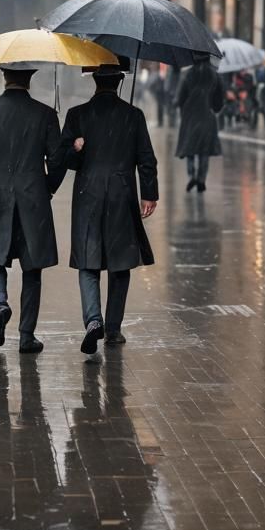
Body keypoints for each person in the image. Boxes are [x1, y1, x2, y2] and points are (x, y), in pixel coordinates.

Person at [0, 62, 64, 354]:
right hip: (34, 201)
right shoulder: (45, 114)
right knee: (32, 268)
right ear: (29, 80)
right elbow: (57, 160)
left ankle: (1, 303)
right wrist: (48, 188)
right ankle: (27, 336)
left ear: (4, 77)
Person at [59, 63, 158, 354]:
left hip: (87, 195)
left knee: (88, 263)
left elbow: (65, 160)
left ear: (94, 81)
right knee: (120, 262)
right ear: (118, 81)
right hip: (122, 194)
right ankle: (113, 329)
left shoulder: (77, 115)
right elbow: (146, 158)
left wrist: (74, 149)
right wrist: (148, 194)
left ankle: (93, 320)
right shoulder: (133, 116)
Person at [174, 51, 224, 192]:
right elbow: (219, 100)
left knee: (190, 149)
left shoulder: (187, 74)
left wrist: (184, 109)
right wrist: (214, 107)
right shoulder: (214, 75)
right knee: (204, 150)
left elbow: (180, 98)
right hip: (207, 116)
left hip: (190, 117)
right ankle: (201, 179)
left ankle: (192, 176)